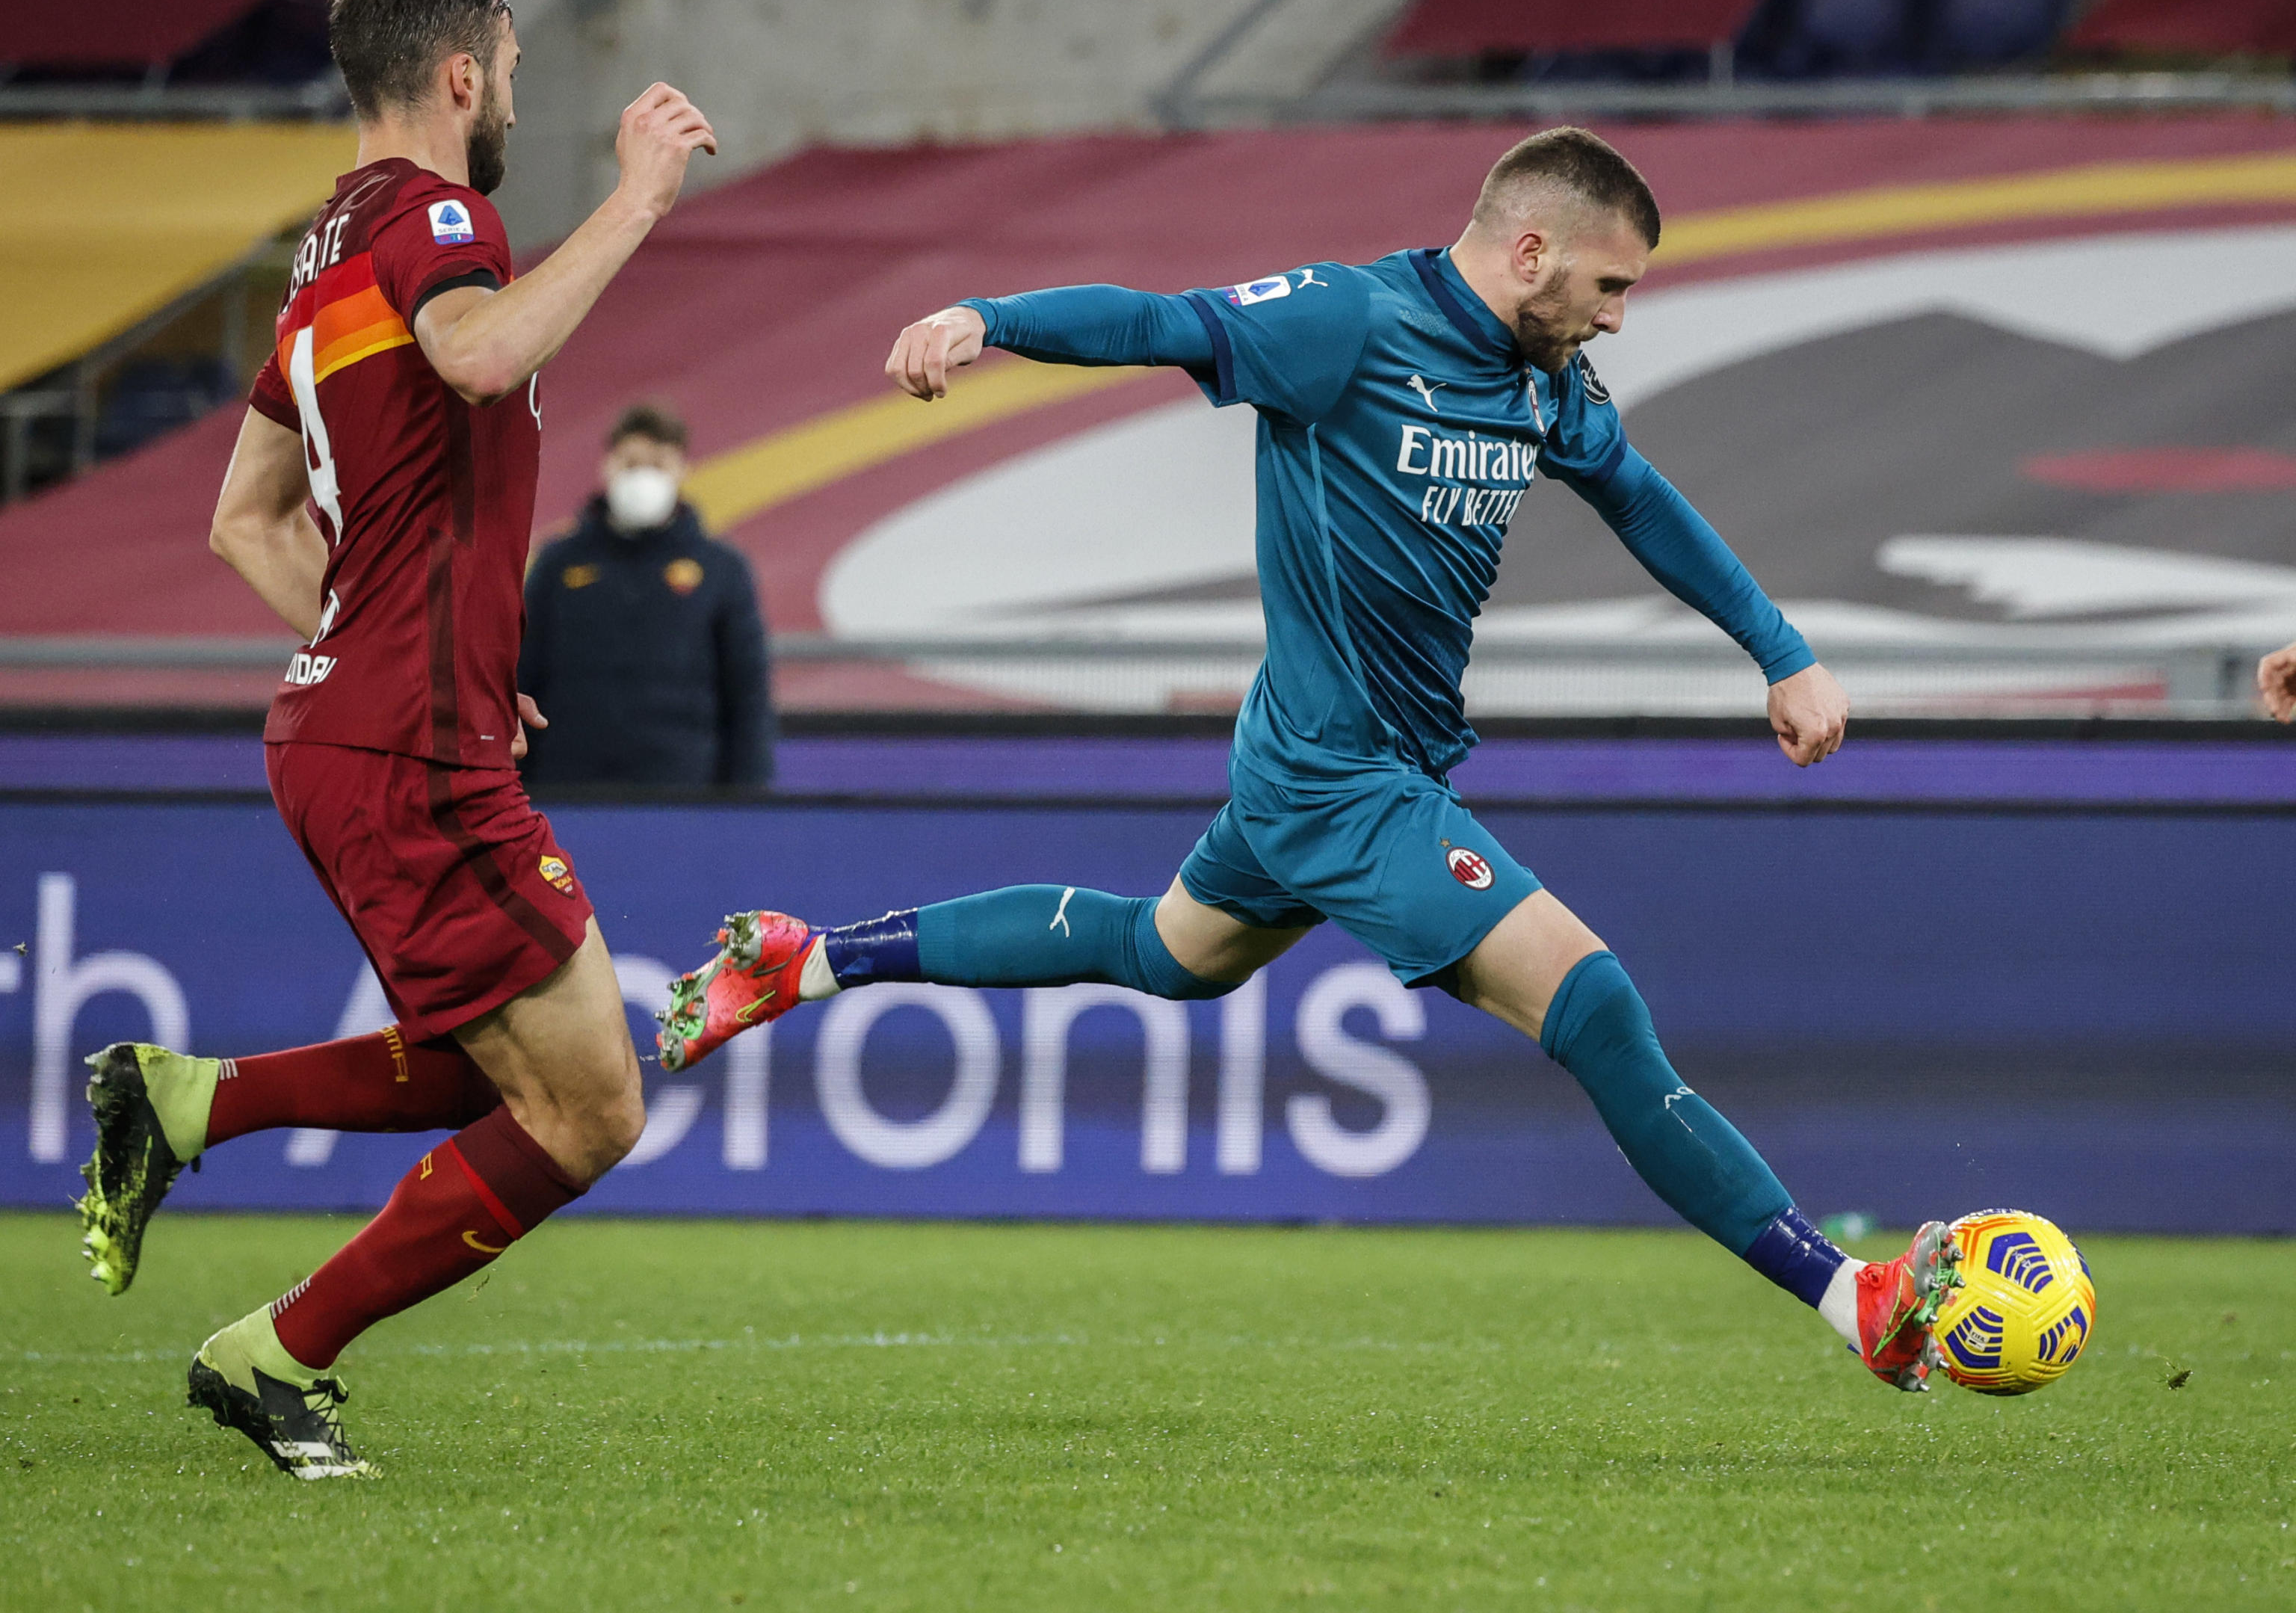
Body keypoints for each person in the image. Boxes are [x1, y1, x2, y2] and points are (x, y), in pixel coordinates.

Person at [659, 127, 1966, 1392]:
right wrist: (985, 318)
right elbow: (1159, 321)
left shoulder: (1543, 381)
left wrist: (1778, 649)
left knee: (1162, 953)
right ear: (1530, 251)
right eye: (1609, 285)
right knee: (1599, 1009)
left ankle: (805, 959)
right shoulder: (1348, 322)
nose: (1617, 317)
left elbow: (1637, 496)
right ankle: (1851, 1298)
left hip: (1338, 763)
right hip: (1342, 780)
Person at [72, 0, 716, 1478]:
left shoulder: (325, 256)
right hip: (403, 746)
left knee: (512, 1065)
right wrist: (637, 198)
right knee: (592, 1109)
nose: (516, 104)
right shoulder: (437, 219)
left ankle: (185, 1101)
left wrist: (402, 656)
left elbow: (244, 519)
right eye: (514, 73)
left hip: (353, 729)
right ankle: (278, 1351)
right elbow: (479, 354)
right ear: (461, 74)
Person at [519, 403, 773, 789]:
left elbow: (747, 694)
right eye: (631, 463)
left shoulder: (722, 570)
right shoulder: (558, 564)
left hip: (683, 788)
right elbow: (522, 675)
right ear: (607, 465)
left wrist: (749, 797)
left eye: (658, 464)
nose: (643, 476)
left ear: (682, 469)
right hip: (569, 786)